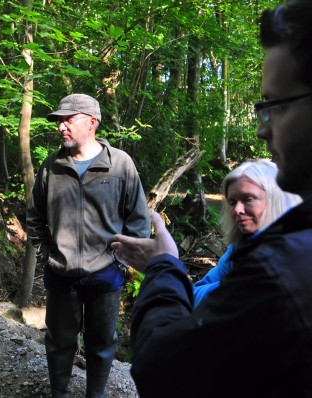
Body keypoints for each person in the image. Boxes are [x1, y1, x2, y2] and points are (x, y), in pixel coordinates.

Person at [111, 2, 312, 396]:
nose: (260, 130)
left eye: (276, 106)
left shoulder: (284, 269)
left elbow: (162, 368)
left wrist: (164, 267)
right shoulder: (258, 256)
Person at [26, 94, 150, 397]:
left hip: (106, 273)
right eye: (60, 121)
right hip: (60, 271)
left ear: (92, 122)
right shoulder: (52, 165)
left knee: (103, 342)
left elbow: (138, 219)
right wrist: (46, 253)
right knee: (59, 341)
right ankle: (60, 394)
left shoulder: (120, 164)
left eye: (69, 119)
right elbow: (34, 215)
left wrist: (122, 261)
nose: (61, 127)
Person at [193, 159, 301, 306]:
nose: (237, 210)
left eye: (248, 199)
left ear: (275, 199)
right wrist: (236, 286)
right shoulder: (238, 249)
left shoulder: (300, 251)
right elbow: (194, 294)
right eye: (232, 202)